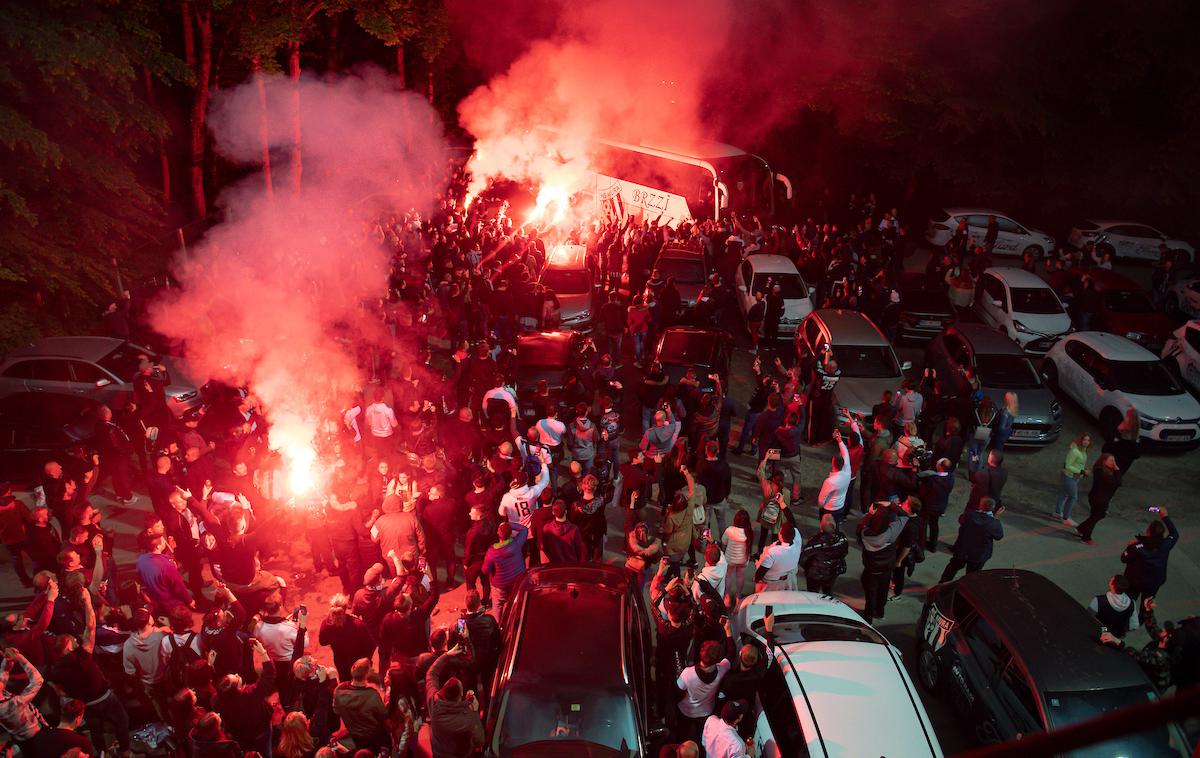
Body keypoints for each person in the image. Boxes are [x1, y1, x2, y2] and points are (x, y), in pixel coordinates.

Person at [213, 638, 276, 756]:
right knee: (265, 752)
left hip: (240, 736)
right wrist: (263, 652)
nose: (237, 674)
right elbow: (269, 676)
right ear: (237, 689)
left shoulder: (218, 700)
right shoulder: (249, 695)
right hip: (260, 732)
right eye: (236, 678)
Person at [857, 499, 913, 623]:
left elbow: (860, 527)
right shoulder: (892, 532)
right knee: (883, 591)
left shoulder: (865, 533)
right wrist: (891, 505)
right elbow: (905, 516)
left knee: (870, 593)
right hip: (887, 568)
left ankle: (868, 617)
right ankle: (880, 612)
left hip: (871, 569)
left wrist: (870, 514)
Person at [1122, 507, 1179, 621]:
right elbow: (1174, 534)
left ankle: (1125, 618)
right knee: (1146, 603)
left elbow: (1124, 558)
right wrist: (1165, 517)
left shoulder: (1137, 547)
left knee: (1129, 601)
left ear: (1148, 532)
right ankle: (1141, 620)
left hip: (1135, 581)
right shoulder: (1166, 544)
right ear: (1162, 533)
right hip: (1154, 582)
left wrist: (1129, 546)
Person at [425, 650, 485, 758]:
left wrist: (447, 655)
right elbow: (479, 741)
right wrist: (475, 711)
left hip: (438, 754)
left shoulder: (434, 704)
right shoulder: (468, 717)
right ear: (461, 694)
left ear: (443, 690)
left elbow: (431, 673)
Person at [676, 640, 732, 744]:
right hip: (706, 711)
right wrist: (728, 633)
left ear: (701, 653)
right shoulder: (722, 669)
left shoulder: (688, 673)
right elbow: (731, 654)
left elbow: (678, 693)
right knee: (700, 736)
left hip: (686, 710)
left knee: (683, 734)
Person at [939, 497, 1005, 582]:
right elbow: (999, 536)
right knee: (972, 576)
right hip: (978, 556)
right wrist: (996, 518)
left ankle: (941, 585)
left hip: (962, 550)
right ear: (993, 508)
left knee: (951, 569)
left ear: (981, 505)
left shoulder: (969, 515)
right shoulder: (993, 523)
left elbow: (961, 520)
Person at [332, 658, 389, 753]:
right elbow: (383, 715)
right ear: (367, 674)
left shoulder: (339, 689)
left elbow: (336, 710)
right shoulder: (372, 695)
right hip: (373, 734)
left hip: (353, 733)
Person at [319, 594, 376, 683]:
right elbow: (371, 645)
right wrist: (367, 659)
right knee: (359, 683)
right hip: (358, 663)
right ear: (345, 608)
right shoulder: (358, 624)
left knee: (344, 682)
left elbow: (322, 642)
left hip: (340, 661)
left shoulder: (326, 624)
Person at [0, 647, 47, 754]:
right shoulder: (9, 706)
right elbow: (38, 680)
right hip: (34, 736)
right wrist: (20, 659)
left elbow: (2, 678)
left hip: (20, 735)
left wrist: (7, 661)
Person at [482, 522, 529, 611]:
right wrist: (508, 525)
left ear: (497, 533)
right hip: (517, 581)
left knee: (498, 607)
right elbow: (524, 529)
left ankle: (498, 625)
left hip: (500, 586)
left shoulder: (492, 552)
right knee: (516, 604)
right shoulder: (516, 543)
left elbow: (485, 570)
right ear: (511, 533)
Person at [1077, 453, 1122, 544]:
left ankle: (1081, 529)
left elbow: (1117, 483)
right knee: (1096, 517)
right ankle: (1086, 537)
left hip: (1101, 498)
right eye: (1111, 460)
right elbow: (1117, 483)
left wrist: (1116, 470)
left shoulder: (1107, 470)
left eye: (1114, 460)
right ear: (1104, 461)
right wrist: (1117, 470)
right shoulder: (1100, 471)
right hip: (1099, 499)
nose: (1113, 463)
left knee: (1095, 516)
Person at [798, 514, 849, 594]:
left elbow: (803, 558)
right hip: (833, 571)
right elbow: (845, 552)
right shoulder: (842, 538)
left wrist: (809, 568)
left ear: (821, 527)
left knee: (813, 593)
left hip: (816, 574)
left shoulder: (815, 542)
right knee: (828, 592)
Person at [917, 458, 954, 551]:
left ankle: (921, 545)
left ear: (941, 467)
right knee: (934, 525)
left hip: (928, 506)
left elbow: (922, 492)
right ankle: (933, 545)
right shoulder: (950, 477)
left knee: (923, 525)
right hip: (940, 506)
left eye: (938, 463)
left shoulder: (932, 479)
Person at [816, 429, 851, 527]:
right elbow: (846, 454)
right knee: (836, 525)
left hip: (829, 508)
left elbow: (821, 499)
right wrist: (840, 441)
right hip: (840, 506)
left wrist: (821, 507)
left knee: (826, 527)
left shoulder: (830, 481)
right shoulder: (847, 471)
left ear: (832, 463)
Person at [1055, 432, 1092, 526]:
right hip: (1069, 476)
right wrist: (1082, 472)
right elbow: (1068, 466)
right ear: (1080, 440)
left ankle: (1057, 512)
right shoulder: (1075, 451)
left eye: (1088, 440)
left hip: (1074, 477)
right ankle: (1066, 518)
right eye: (1084, 440)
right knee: (1073, 497)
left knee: (1064, 494)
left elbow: (1079, 464)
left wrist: (1083, 471)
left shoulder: (1083, 451)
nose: (1086, 442)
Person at [754, 522, 800, 592]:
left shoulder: (773, 552)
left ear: (780, 536)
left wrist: (757, 579)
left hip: (771, 581)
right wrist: (785, 510)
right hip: (787, 577)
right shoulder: (798, 542)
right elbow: (792, 521)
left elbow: (761, 572)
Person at [721, 510, 752, 608]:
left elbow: (724, 542)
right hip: (743, 559)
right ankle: (738, 596)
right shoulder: (749, 532)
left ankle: (727, 597)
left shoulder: (730, 530)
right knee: (740, 576)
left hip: (730, 558)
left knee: (728, 576)